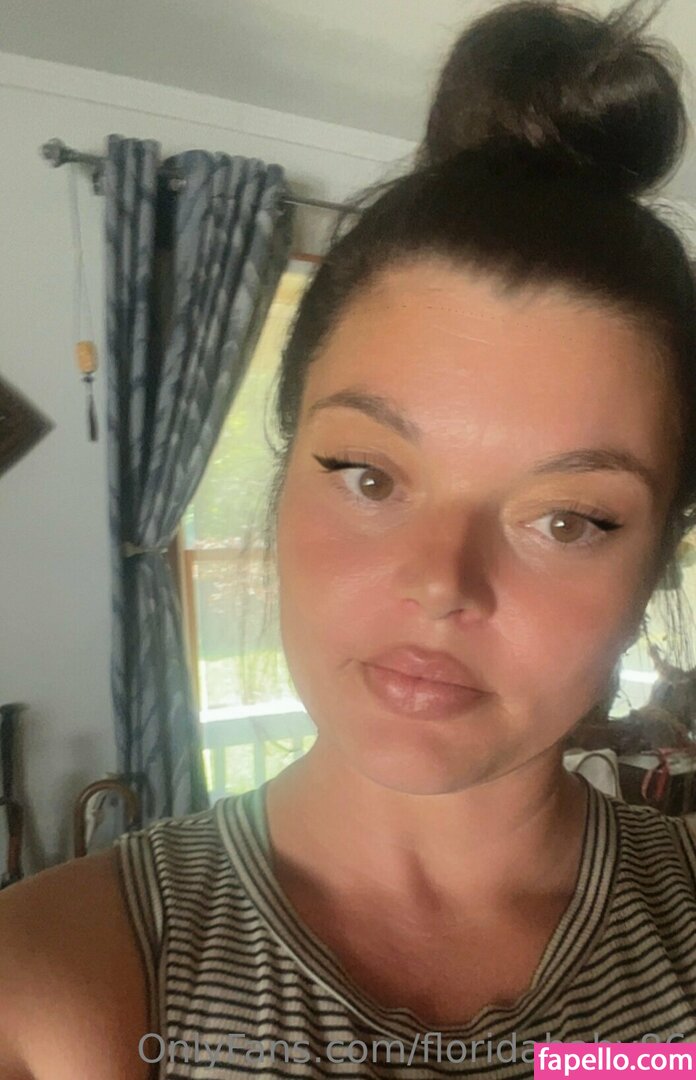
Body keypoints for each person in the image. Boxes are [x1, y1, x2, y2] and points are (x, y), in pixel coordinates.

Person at [3, 0, 696, 1076]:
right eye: (370, 476)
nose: (440, 582)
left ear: (657, 564)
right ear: (286, 477)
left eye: (568, 519)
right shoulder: (56, 986)